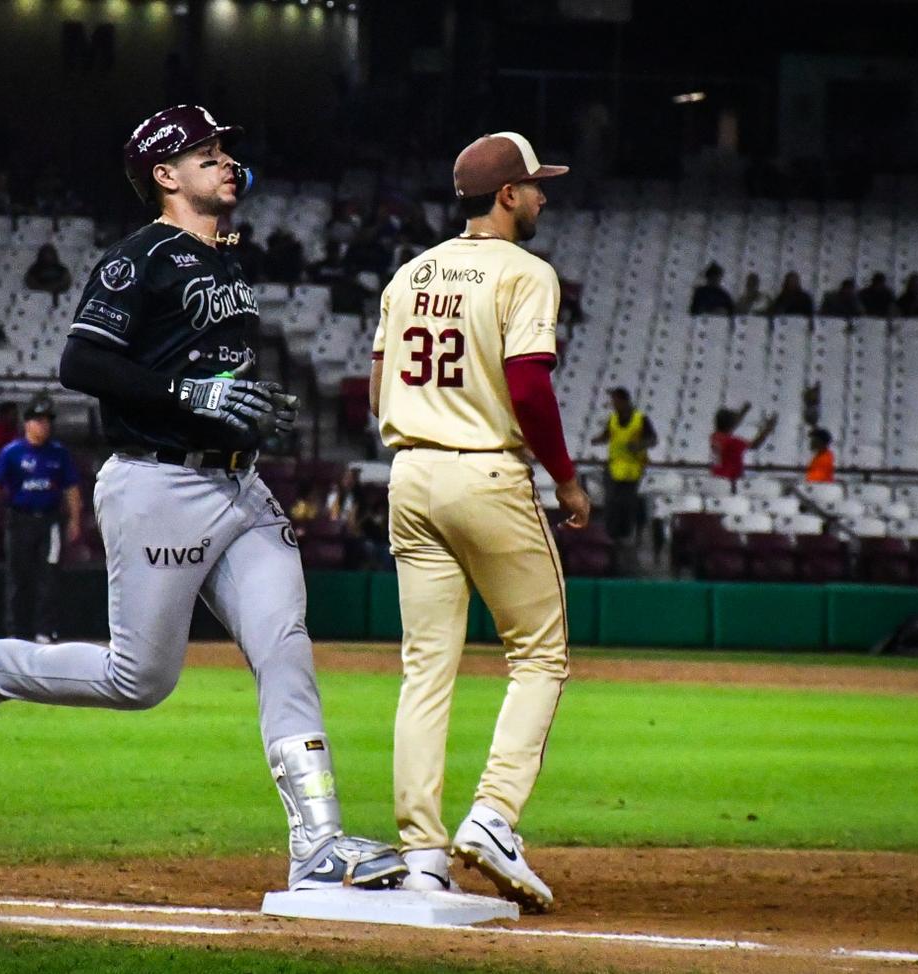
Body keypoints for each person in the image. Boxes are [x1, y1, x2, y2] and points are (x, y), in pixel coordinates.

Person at [0, 104, 407, 894]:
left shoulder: (225, 260)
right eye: (204, 153)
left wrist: (238, 401)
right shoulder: (138, 256)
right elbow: (82, 361)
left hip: (237, 486)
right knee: (139, 680)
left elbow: (206, 376)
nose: (223, 162)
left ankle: (318, 844)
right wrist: (189, 393)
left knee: (285, 646)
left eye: (223, 152)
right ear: (165, 175)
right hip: (158, 483)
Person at [371, 130, 590, 910]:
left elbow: (375, 391)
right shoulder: (526, 273)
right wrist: (565, 479)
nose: (541, 196)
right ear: (505, 195)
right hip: (485, 471)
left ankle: (422, 854)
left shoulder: (410, 273)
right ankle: (495, 815)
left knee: (424, 671)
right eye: (534, 185)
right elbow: (530, 389)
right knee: (540, 656)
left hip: (409, 473)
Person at [0, 395, 83, 642]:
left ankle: (45, 630)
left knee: (49, 576)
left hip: (50, 519)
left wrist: (75, 519)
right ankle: (16, 631)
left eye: (48, 421)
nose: (44, 426)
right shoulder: (12, 452)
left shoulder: (59, 454)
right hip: (19, 520)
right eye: (39, 421)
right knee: (17, 576)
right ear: (28, 424)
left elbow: (71, 488)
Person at [590, 387, 657, 547]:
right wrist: (598, 439)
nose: (613, 403)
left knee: (627, 504)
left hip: (632, 468)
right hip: (614, 466)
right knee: (611, 502)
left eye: (615, 400)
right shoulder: (613, 418)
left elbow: (653, 439)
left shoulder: (640, 419)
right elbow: (607, 435)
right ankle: (610, 536)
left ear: (624, 400)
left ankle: (625, 536)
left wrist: (640, 445)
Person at [710, 402, 777, 483]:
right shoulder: (733, 442)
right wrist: (769, 428)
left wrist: (743, 411)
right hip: (732, 480)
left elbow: (730, 426)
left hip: (717, 478)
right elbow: (755, 445)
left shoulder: (715, 437)